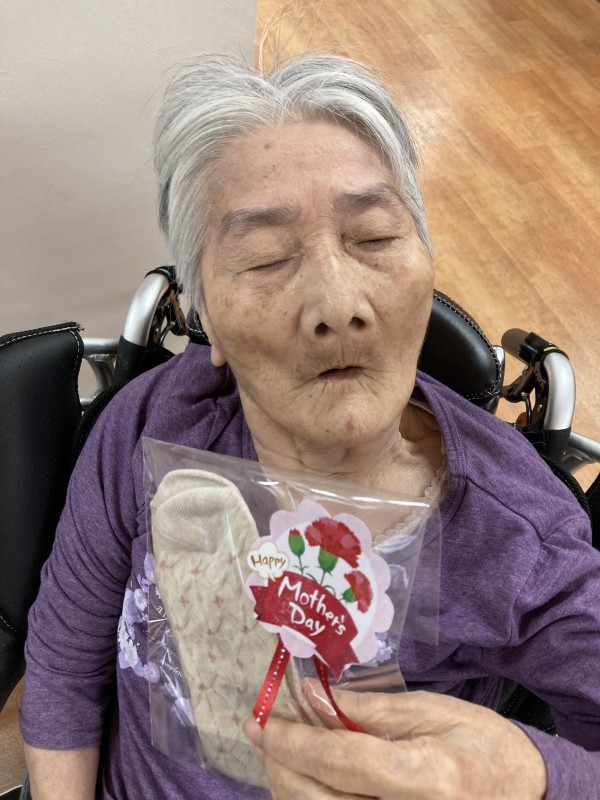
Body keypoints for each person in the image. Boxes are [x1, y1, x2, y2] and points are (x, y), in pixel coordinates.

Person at [20, 53, 600, 799]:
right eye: (266, 258)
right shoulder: (152, 424)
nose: (337, 303)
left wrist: (533, 774)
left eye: (374, 238)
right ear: (208, 320)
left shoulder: (519, 536)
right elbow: (66, 659)